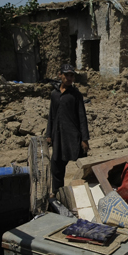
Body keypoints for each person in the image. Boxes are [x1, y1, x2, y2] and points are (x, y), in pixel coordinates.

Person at [46, 64, 90, 194]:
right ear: (60, 75)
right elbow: (51, 116)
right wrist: (49, 134)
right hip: (58, 136)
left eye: (72, 75)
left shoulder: (76, 95)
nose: (69, 78)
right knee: (57, 166)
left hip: (73, 136)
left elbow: (82, 118)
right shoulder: (54, 94)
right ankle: (58, 193)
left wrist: (84, 139)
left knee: (83, 164)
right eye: (67, 75)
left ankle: (83, 192)